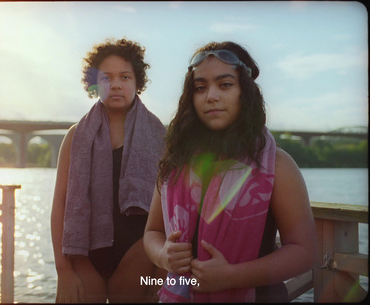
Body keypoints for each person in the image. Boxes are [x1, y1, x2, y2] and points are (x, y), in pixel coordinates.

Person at [143, 41, 317, 303]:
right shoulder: (176, 163)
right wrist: (162, 255)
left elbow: (305, 252)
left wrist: (232, 276)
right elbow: (152, 233)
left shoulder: (277, 166)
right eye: (200, 87)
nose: (211, 95)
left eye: (225, 84)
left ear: (244, 92)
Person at [51, 38, 167, 303]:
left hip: (140, 253)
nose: (116, 84)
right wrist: (63, 270)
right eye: (106, 78)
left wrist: (160, 270)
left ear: (138, 82)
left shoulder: (159, 136)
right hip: (83, 255)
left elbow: (172, 208)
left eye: (125, 77)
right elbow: (60, 202)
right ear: (94, 85)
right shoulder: (75, 137)